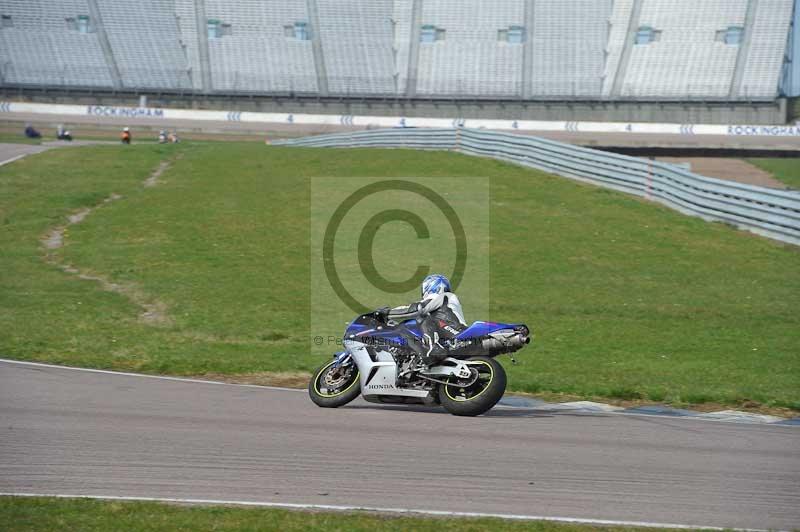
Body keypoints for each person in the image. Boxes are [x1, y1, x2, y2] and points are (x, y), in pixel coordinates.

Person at [398, 274, 467, 368]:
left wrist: (387, 313)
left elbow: (418, 308)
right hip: (454, 333)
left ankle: (433, 347)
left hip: (454, 332)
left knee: (421, 316)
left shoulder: (441, 296)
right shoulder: (449, 299)